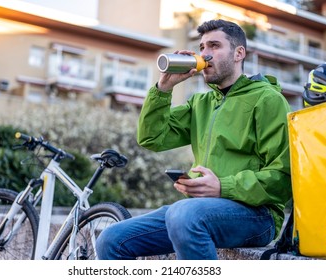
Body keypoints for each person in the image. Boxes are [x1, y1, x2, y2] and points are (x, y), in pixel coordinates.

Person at [96, 19, 292, 260]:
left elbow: (283, 177)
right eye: (201, 48)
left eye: (214, 46)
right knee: (111, 239)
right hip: (199, 211)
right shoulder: (201, 103)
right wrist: (163, 89)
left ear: (239, 53)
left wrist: (223, 186)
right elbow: (151, 138)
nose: (205, 55)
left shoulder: (268, 100)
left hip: (257, 215)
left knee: (184, 213)